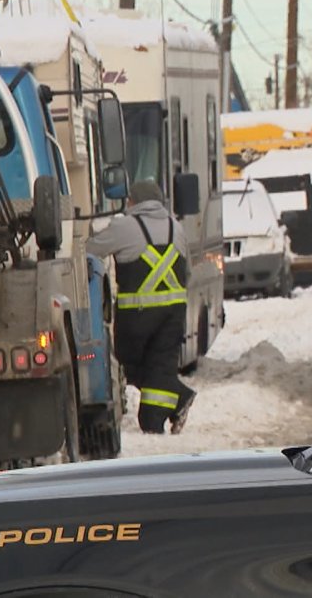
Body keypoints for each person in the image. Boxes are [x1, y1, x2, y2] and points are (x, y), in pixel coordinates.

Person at [86, 179, 196, 434]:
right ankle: (168, 407)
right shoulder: (176, 227)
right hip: (173, 315)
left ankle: (160, 414)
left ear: (132, 202)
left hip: (136, 317)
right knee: (159, 366)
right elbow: (187, 271)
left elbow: (90, 250)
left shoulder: (124, 226)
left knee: (129, 364)